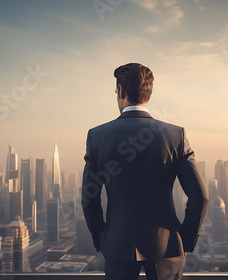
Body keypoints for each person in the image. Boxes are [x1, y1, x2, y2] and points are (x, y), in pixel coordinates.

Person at [82, 63, 208, 280]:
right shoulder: (175, 135)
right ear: (149, 92)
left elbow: (89, 198)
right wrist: (184, 241)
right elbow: (200, 196)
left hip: (117, 246)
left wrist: (103, 239)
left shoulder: (97, 136)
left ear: (121, 91)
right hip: (167, 247)